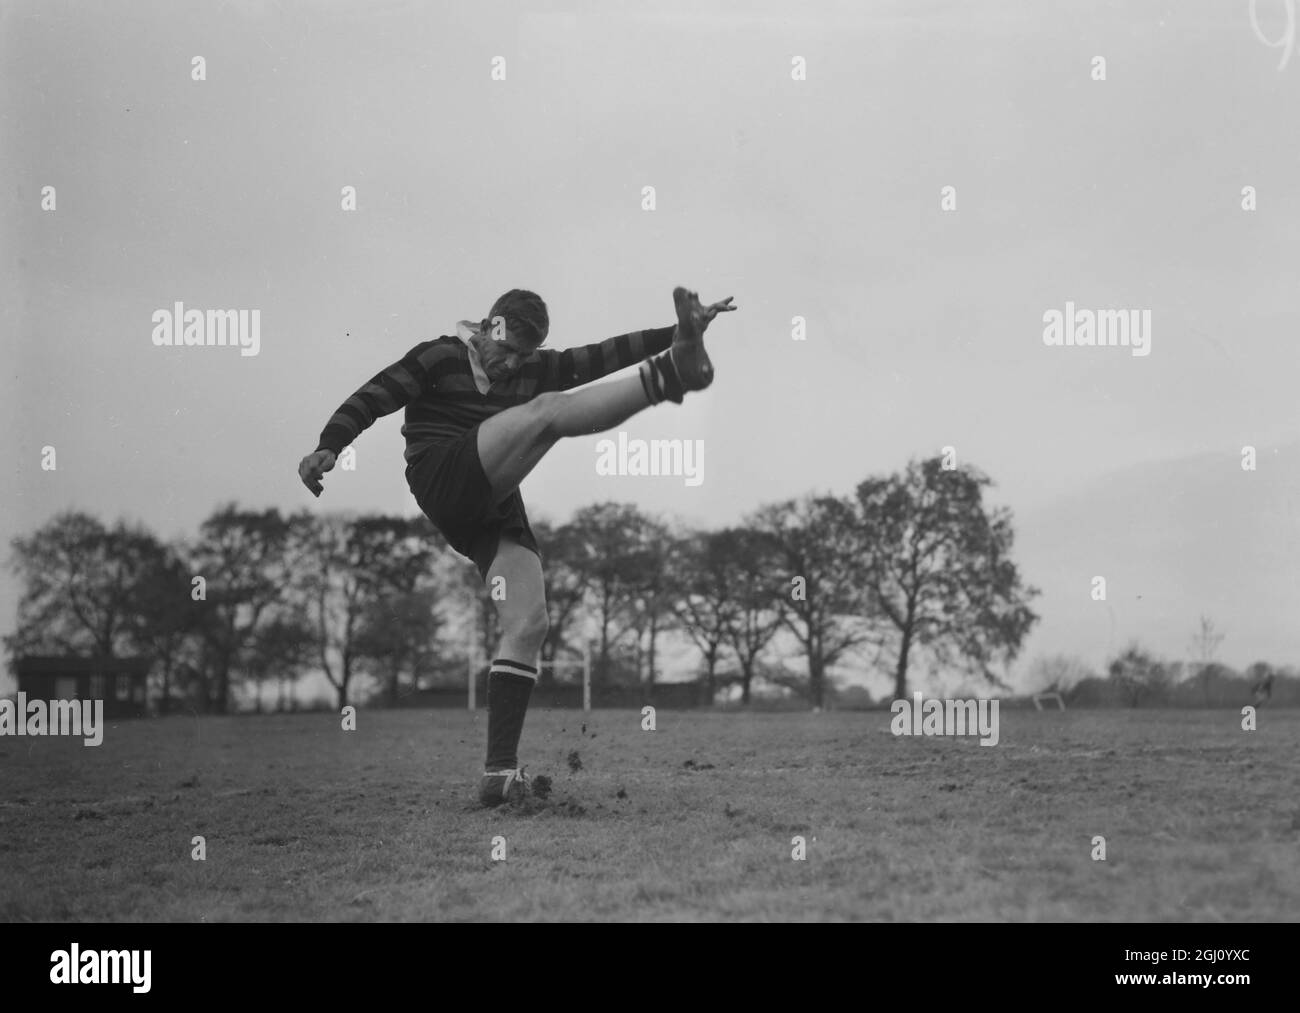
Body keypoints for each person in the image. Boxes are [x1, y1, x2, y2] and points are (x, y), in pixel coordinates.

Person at [298, 287, 736, 804]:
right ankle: (670, 376)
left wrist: (681, 333)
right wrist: (330, 444)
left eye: (525, 357)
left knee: (529, 623)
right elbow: (374, 395)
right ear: (488, 328)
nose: (513, 365)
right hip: (442, 475)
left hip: (493, 505)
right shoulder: (438, 356)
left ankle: (498, 774)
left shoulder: (530, 368)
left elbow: (600, 356)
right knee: (547, 414)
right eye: (506, 352)